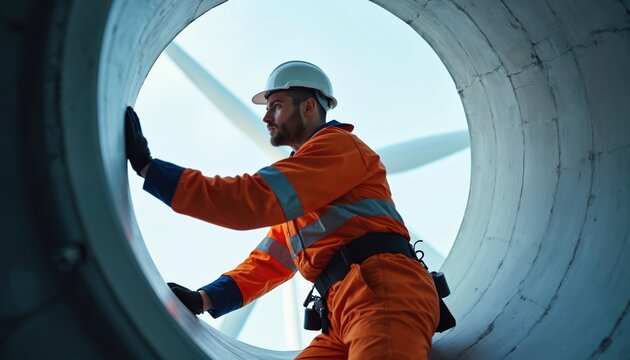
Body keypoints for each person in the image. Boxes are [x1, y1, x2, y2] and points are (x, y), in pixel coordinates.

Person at [125, 60, 440, 359]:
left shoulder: (337, 147)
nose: (265, 117)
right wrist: (206, 298)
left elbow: (248, 200)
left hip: (383, 292)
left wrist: (150, 169)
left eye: (276, 106)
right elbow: (270, 263)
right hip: (342, 310)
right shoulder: (303, 199)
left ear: (308, 106)